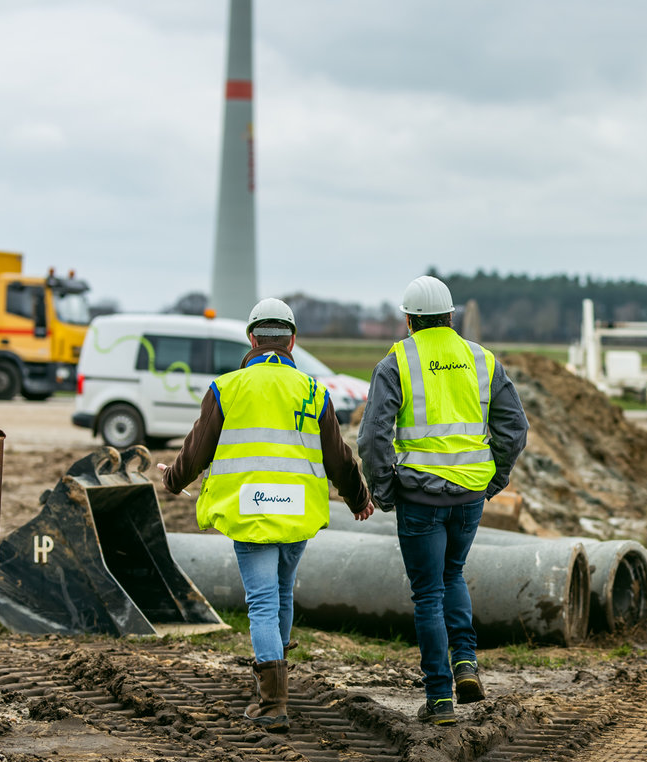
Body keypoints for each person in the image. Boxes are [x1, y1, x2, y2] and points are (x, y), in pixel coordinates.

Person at [161, 298, 374, 730]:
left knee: (261, 602)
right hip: (297, 511)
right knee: (280, 594)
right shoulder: (315, 391)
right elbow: (338, 457)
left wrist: (171, 480)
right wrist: (359, 498)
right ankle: (275, 674)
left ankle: (273, 700)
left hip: (250, 508)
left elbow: (196, 451)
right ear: (292, 341)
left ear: (252, 339)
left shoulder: (227, 387)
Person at [358, 275, 528, 726]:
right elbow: (515, 429)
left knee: (428, 593)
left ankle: (439, 699)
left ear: (409, 320)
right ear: (450, 317)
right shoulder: (481, 358)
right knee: (453, 574)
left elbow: (373, 436)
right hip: (470, 495)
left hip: (420, 498)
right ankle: (466, 664)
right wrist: (494, 477)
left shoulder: (397, 361)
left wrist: (384, 488)